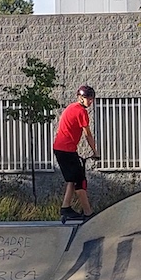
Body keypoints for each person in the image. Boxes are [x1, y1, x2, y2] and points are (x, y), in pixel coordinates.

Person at [51, 84, 99, 223]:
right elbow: (88, 134)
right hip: (66, 150)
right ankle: (88, 213)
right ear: (79, 98)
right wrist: (96, 152)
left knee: (72, 179)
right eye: (86, 98)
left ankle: (66, 208)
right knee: (80, 181)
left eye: (91, 98)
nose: (89, 101)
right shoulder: (81, 111)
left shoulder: (71, 107)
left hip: (63, 149)